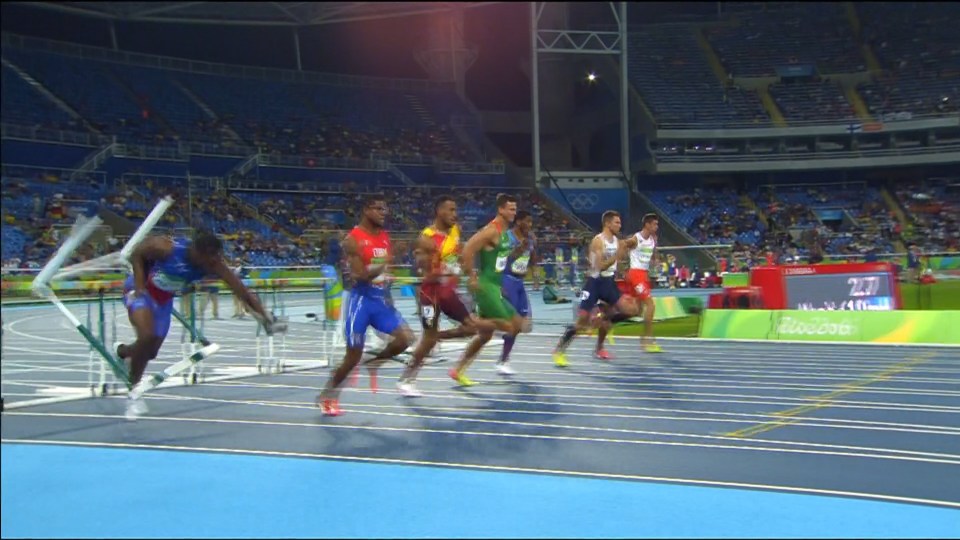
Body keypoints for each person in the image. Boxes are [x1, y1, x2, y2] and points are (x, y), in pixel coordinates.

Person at [116, 229, 279, 419]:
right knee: (147, 337)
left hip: (163, 301)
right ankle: (133, 391)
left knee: (150, 351)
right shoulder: (166, 248)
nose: (211, 263)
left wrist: (265, 318)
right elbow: (137, 253)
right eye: (208, 259)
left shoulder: (214, 264)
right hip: (140, 292)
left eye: (214, 258)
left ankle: (123, 352)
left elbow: (242, 292)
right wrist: (140, 285)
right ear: (196, 251)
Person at [316, 195, 415, 416]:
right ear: (366, 210)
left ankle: (374, 361)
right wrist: (385, 262)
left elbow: (385, 270)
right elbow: (360, 275)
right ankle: (327, 396)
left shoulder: (384, 237)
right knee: (352, 357)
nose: (383, 212)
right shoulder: (353, 239)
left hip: (380, 301)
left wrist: (388, 291)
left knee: (406, 339)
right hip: (360, 303)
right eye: (378, 208)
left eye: (385, 209)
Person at [398, 195, 496, 397]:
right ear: (439, 212)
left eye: (455, 210)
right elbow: (421, 271)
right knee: (428, 340)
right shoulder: (426, 237)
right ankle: (405, 380)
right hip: (430, 293)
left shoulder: (455, 231)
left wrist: (464, 270)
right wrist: (442, 272)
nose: (455, 214)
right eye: (450, 210)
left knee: (470, 328)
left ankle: (436, 338)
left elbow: (457, 256)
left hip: (448, 292)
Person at [450, 193, 526, 386]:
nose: (514, 212)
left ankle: (457, 370)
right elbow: (467, 250)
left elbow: (500, 260)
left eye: (515, 209)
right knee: (510, 325)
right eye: (510, 209)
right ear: (500, 209)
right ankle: (470, 322)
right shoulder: (491, 230)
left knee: (491, 333)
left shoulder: (505, 233)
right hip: (484, 285)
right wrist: (472, 277)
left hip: (495, 285)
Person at [552, 211, 639, 367]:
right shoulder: (598, 242)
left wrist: (635, 242)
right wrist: (617, 257)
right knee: (581, 324)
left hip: (609, 283)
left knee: (632, 310)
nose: (620, 225)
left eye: (620, 222)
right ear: (607, 223)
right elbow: (598, 267)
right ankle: (559, 350)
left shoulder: (617, 241)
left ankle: (600, 343)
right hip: (594, 283)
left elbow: (631, 243)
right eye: (617, 223)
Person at [615, 213, 663, 353]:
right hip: (635, 274)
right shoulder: (637, 238)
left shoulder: (653, 239)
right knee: (651, 305)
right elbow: (623, 244)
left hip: (644, 275)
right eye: (654, 224)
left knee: (635, 311)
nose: (656, 226)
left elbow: (654, 252)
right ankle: (647, 340)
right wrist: (621, 266)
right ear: (647, 225)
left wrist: (656, 261)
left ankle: (607, 320)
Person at [499, 210, 538, 368]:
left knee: (524, 325)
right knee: (515, 323)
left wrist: (536, 277)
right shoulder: (507, 237)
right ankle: (503, 360)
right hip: (507, 279)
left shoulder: (530, 239)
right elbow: (500, 260)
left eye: (531, 222)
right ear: (518, 221)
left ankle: (504, 354)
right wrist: (518, 250)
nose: (529, 225)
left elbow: (534, 259)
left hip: (520, 282)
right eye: (527, 222)